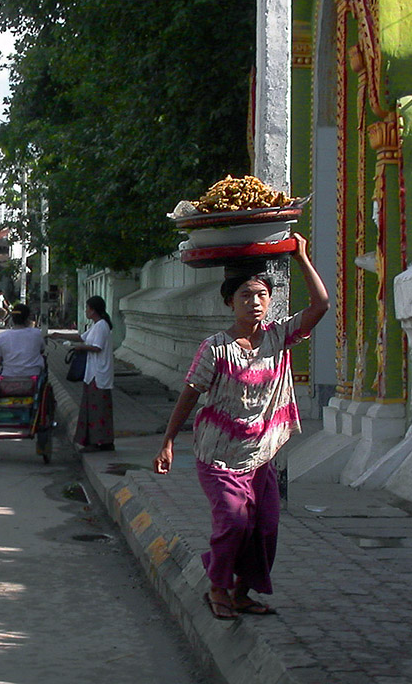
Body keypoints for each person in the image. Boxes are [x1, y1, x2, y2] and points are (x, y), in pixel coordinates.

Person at [153, 233, 329, 621]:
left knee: (264, 529)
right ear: (230, 302)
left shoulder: (278, 337)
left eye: (261, 295)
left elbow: (321, 305)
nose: (254, 303)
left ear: (269, 301)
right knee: (233, 521)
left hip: (261, 454)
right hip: (218, 455)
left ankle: (241, 592)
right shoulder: (216, 347)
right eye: (245, 296)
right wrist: (168, 442)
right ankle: (217, 589)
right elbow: (189, 394)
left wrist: (301, 256)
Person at [49, 296, 115, 451]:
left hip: (99, 373)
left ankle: (98, 442)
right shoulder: (96, 326)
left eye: (87, 308)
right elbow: (81, 337)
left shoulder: (101, 326)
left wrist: (78, 348)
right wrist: (60, 335)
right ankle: (100, 441)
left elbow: (96, 347)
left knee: (97, 408)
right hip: (93, 372)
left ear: (93, 310)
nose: (85, 311)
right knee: (93, 406)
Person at [0, 303, 46, 378]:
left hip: (8, 379)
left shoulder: (3, 336)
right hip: (33, 377)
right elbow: (42, 350)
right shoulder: (36, 333)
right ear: (27, 318)